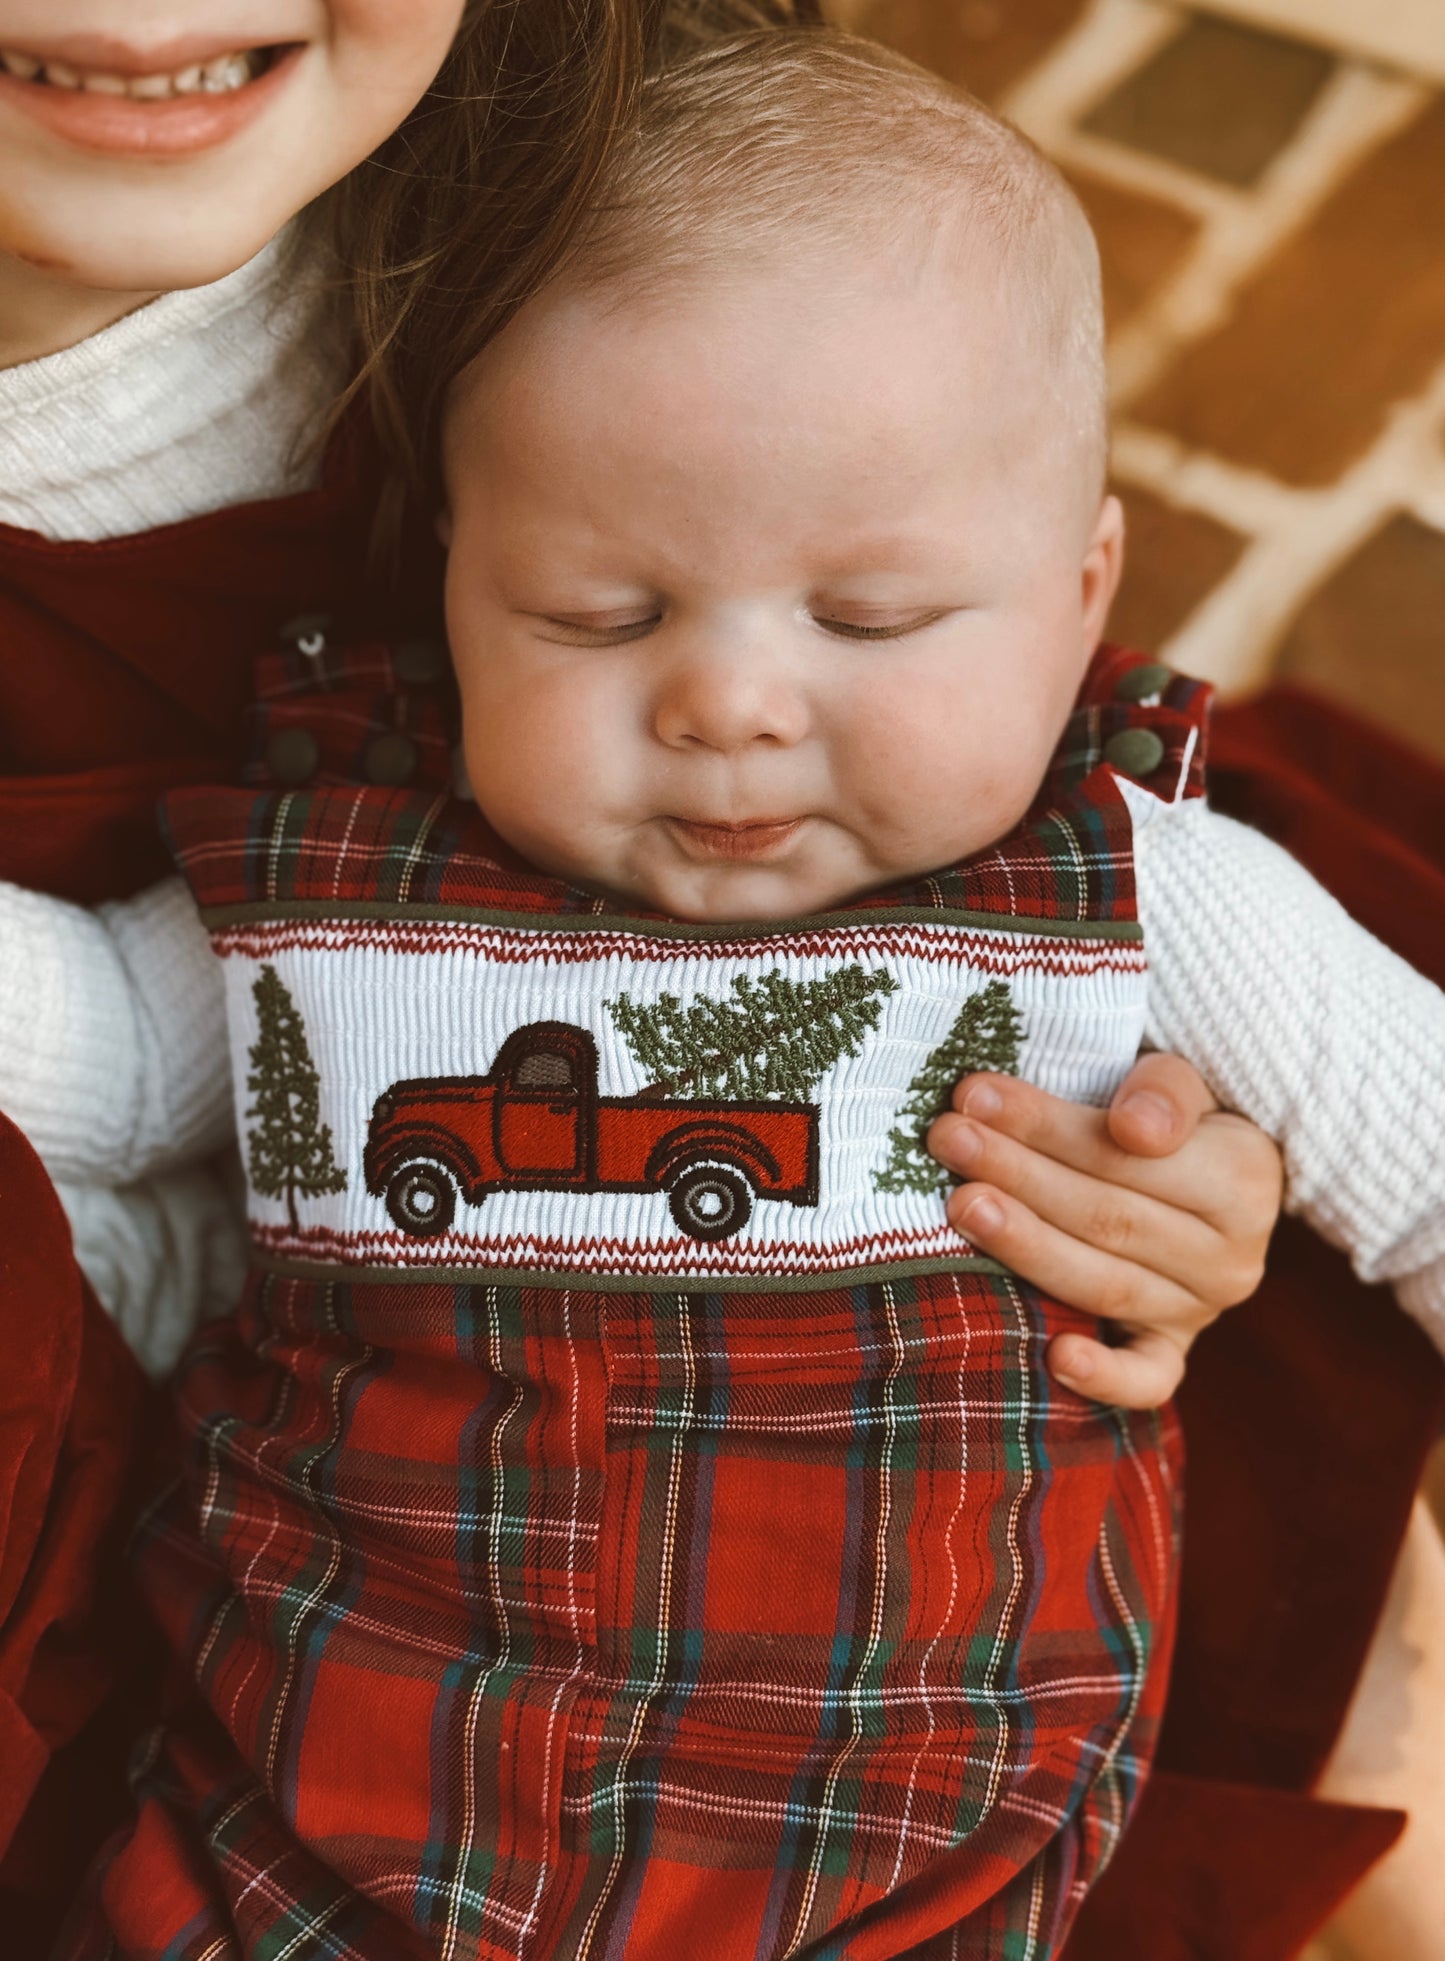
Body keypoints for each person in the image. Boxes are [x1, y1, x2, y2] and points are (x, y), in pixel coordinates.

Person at [56, 30, 1445, 1958]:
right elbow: (111, 1064)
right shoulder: (346, 883)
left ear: (1078, 591)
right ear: (451, 588)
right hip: (328, 1817)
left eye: (869, 622)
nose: (728, 702)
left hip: (908, 1832)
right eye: (594, 616)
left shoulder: (1133, 890)